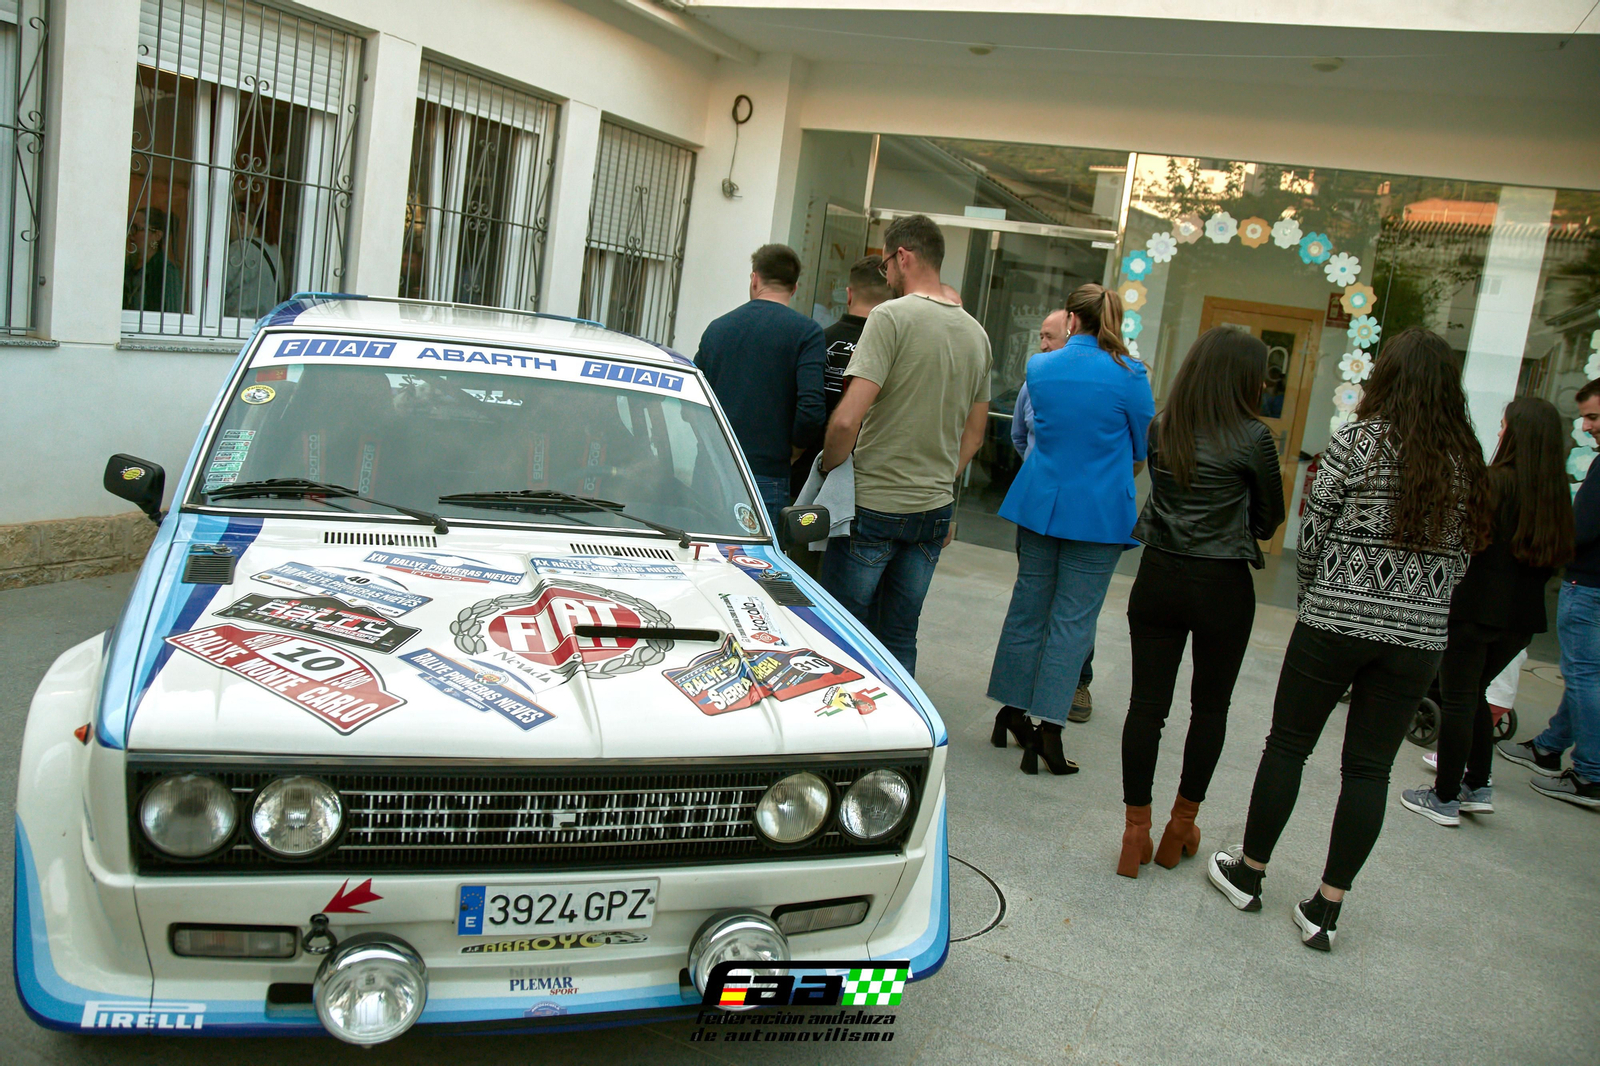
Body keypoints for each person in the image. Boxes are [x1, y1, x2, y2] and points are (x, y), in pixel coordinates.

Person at [1207, 328, 1491, 953]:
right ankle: (1325, 909)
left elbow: (1313, 534)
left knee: (1288, 746)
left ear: (1385, 377)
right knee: (1369, 770)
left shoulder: (1355, 443)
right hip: (1417, 639)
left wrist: (1319, 594)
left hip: (1334, 620)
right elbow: (1467, 557)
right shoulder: (1467, 463)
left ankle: (1249, 874)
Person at [1118, 327, 1284, 877]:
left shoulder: (1164, 427)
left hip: (1159, 576)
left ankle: (1134, 830)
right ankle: (1180, 825)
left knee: (1147, 707)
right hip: (1221, 587)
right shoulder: (1254, 437)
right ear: (1243, 377)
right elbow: (1267, 520)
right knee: (1208, 711)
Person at [986, 283, 1154, 775]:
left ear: (1072, 321)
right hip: (1099, 512)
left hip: (1041, 501)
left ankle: (1011, 712)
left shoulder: (1040, 366)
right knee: (1072, 621)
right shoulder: (1130, 375)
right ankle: (1050, 731)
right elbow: (1143, 446)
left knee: (1027, 609)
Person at [819, 214, 991, 674]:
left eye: (886, 264)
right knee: (898, 635)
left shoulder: (889, 317)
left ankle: (841, 735)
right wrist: (935, 476)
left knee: (840, 631)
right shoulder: (977, 334)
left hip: (873, 504)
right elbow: (974, 436)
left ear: (903, 256)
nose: (886, 275)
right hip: (932, 510)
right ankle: (898, 735)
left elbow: (847, 420)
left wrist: (827, 469)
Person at [1401, 398, 1573, 825]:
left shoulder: (1493, 484)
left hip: (1475, 609)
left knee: (1459, 698)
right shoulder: (1556, 497)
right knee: (1474, 693)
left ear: (1517, 434)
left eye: (1503, 426)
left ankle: (1444, 797)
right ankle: (1477, 784)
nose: (1498, 433)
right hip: (1521, 621)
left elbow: (1459, 538)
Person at [1496, 377, 1600, 808]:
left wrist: (1545, 546)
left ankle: (1591, 774)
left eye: (1593, 417)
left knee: (1583, 677)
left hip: (1588, 585)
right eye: (1584, 419)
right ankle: (1550, 745)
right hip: (1589, 585)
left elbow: (1582, 530)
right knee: (1587, 674)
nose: (1588, 427)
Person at [1007, 308, 1098, 724]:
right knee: (1035, 600)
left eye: (1050, 336)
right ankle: (1023, 694)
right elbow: (1019, 437)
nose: (1043, 345)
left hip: (1084, 513)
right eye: (1040, 337)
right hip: (1038, 508)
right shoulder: (1034, 382)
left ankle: (1078, 679)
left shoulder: (1099, 384)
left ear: (1073, 333)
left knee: (1075, 605)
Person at [695, 244, 826, 530]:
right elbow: (812, 409)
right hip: (766, 473)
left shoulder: (718, 329)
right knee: (756, 565)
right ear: (794, 287)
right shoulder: (806, 333)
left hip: (709, 470)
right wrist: (793, 450)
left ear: (755, 279)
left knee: (702, 559)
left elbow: (692, 400)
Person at [791, 255, 890, 499]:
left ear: (848, 294)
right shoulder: (893, 350)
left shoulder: (817, 341)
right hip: (867, 484)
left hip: (808, 477)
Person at [224, 200, 284, 320]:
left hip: (235, 323)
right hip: (263, 324)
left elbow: (219, 288)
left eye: (229, 221)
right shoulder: (275, 250)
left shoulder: (241, 248)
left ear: (242, 218)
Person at [124, 207, 184, 313]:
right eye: (129, 228)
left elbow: (172, 313)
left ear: (157, 235)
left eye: (135, 229)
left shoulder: (166, 271)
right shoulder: (127, 266)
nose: (131, 236)